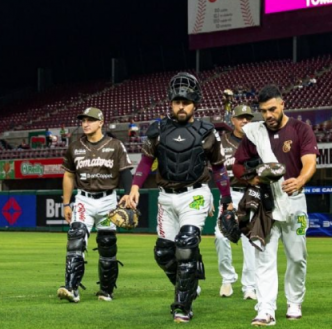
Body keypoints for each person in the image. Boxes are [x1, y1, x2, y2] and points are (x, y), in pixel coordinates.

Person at [122, 72, 233, 323]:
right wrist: (135, 187)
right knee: (163, 254)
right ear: (171, 103)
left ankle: (182, 305)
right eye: (177, 102)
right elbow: (146, 162)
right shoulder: (158, 130)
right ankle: (191, 282)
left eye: (186, 102)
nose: (181, 106)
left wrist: (225, 198)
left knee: (186, 244)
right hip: (166, 198)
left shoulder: (206, 132)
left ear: (195, 103)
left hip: (194, 195)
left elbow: (218, 168)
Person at [232, 85, 318, 326]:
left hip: (295, 203)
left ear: (282, 105)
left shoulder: (301, 129)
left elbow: (310, 162)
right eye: (263, 111)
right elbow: (238, 165)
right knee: (264, 258)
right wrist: (253, 179)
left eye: (272, 109)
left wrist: (300, 180)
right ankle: (265, 309)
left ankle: (294, 301)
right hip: (266, 204)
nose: (268, 115)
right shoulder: (256, 133)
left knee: (297, 257)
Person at [57, 107, 134, 304]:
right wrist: (66, 203)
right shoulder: (74, 147)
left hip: (109, 199)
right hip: (84, 199)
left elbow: (125, 171)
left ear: (101, 123)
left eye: (90, 120)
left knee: (107, 246)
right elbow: (68, 175)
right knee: (76, 240)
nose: (85, 123)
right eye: (83, 120)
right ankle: (71, 288)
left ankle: (106, 290)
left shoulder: (115, 145)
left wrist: (128, 195)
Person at [215, 104, 256, 300]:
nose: (245, 121)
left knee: (251, 241)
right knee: (221, 237)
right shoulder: (221, 142)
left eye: (248, 117)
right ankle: (227, 279)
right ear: (233, 121)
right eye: (241, 118)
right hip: (229, 194)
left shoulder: (257, 140)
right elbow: (212, 170)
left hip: (251, 193)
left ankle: (249, 285)